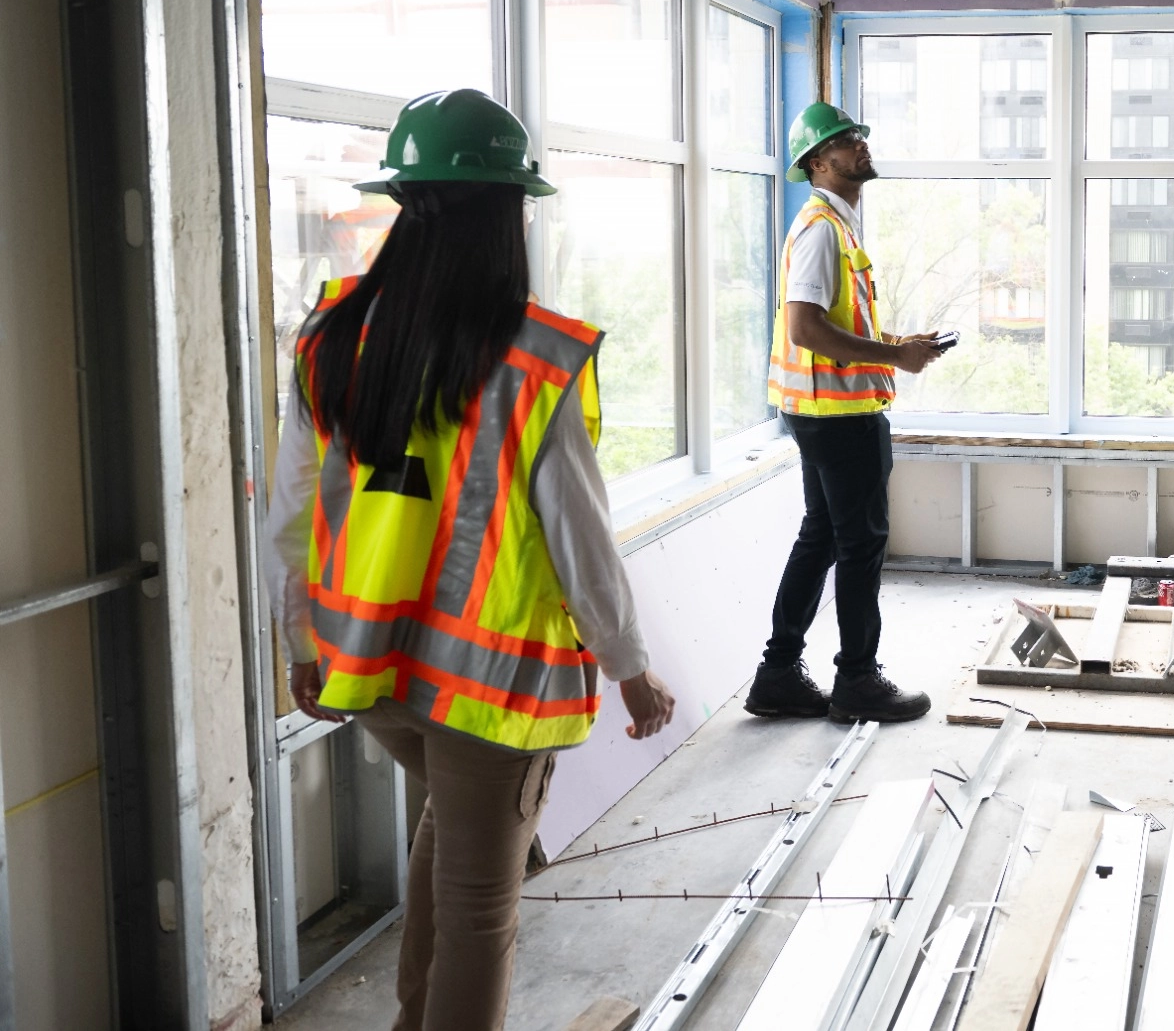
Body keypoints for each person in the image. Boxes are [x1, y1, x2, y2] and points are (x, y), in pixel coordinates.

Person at [265, 89, 677, 1031]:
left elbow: (291, 512)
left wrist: (299, 641)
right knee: (480, 914)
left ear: (406, 201)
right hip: (490, 690)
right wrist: (631, 667)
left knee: (445, 850)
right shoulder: (533, 359)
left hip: (369, 671)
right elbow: (577, 533)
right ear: (509, 210)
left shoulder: (332, 336)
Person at [743, 101, 946, 723]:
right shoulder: (821, 229)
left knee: (825, 536)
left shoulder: (839, 225)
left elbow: (830, 323)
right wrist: (895, 355)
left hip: (831, 410)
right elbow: (805, 329)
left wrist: (897, 346)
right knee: (861, 544)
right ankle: (856, 680)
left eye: (858, 134)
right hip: (838, 416)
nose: (859, 143)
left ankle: (777, 674)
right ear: (817, 162)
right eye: (844, 139)